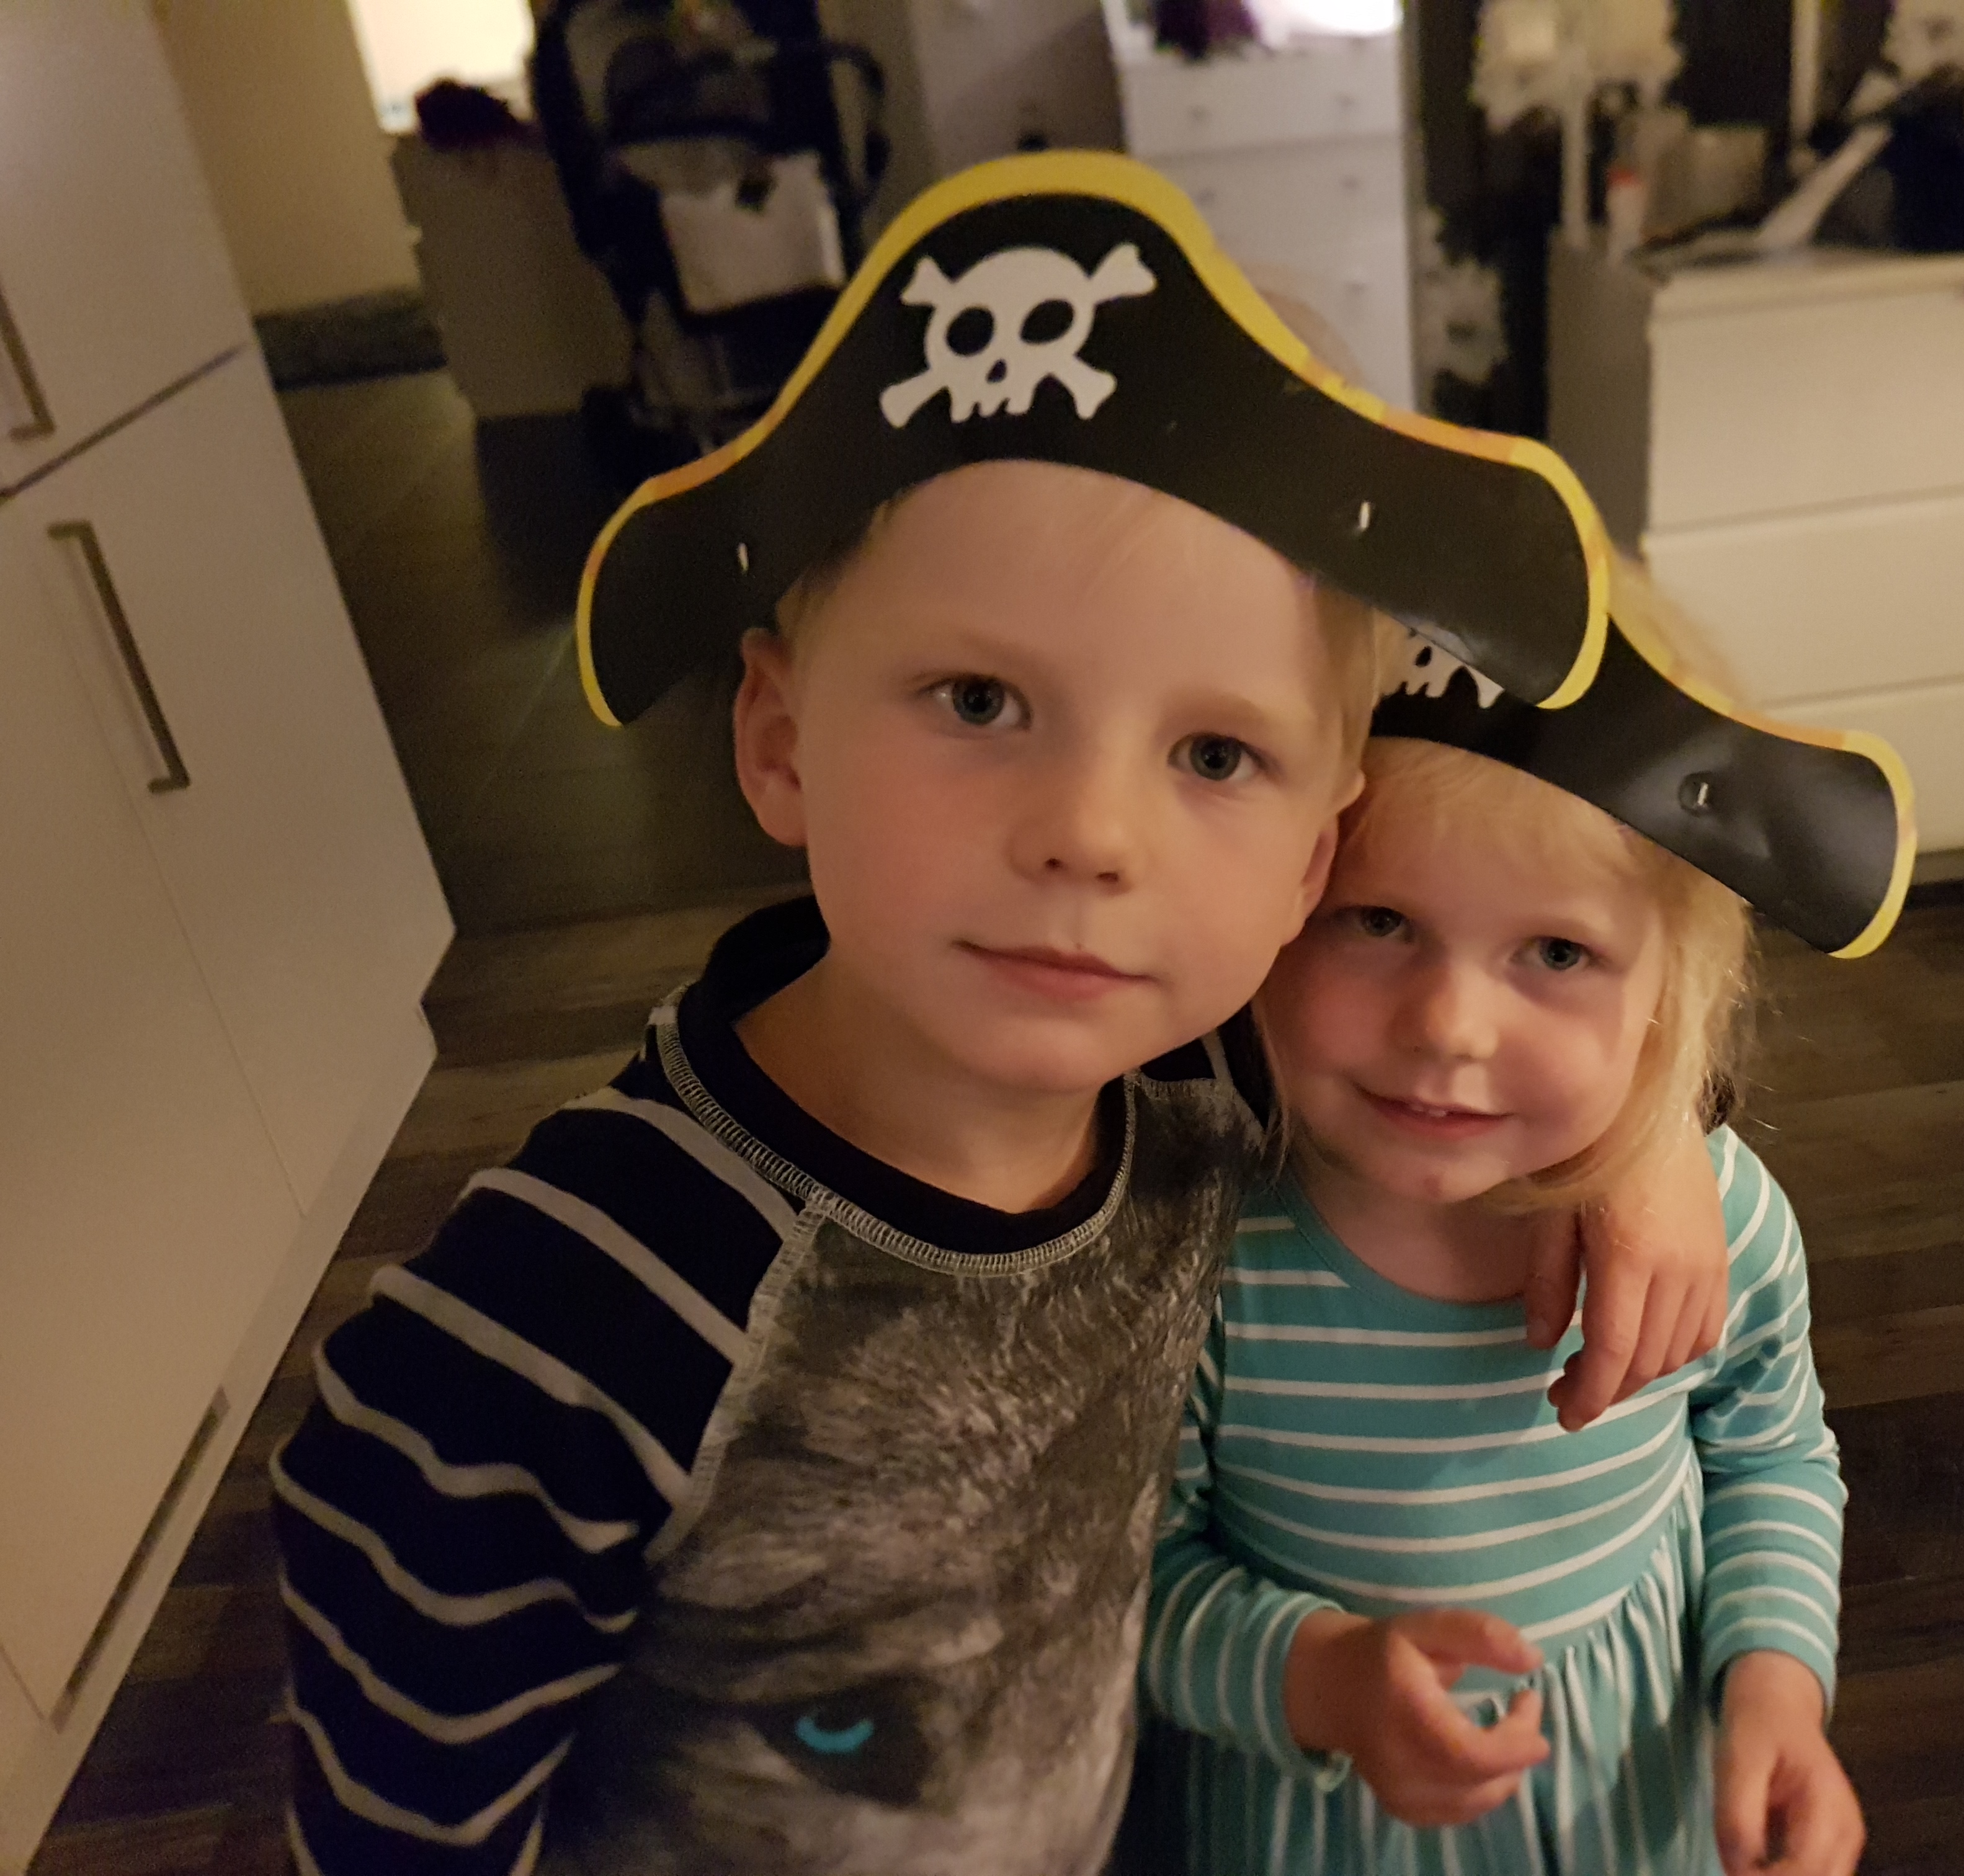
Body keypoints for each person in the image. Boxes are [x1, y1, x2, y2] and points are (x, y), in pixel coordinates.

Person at [267, 157, 1733, 1876]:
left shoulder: (1211, 1078)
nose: (1091, 837)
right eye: (978, 700)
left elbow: (1521, 963)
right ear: (778, 741)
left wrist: (1659, 1143)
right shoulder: (553, 1330)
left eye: (1215, 753)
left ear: (1311, 857)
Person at [1140, 564, 1865, 1875]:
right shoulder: (1202, 1264)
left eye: (1558, 953)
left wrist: (1775, 1687)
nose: (1450, 1027)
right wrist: (1321, 1677)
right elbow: (1135, 1579)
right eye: (1379, 921)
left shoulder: (1727, 1221)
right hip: (1320, 1818)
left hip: (1636, 1797)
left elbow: (1771, 1460)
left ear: (1670, 998)